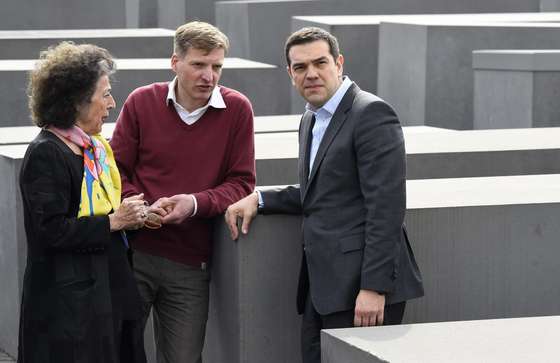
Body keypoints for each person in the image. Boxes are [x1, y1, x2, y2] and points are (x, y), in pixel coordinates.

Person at [224, 27, 424, 363]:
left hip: (363, 291)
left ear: (339, 63)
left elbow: (386, 208)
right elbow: (323, 191)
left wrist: (375, 288)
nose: (311, 73)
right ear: (290, 74)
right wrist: (260, 199)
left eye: (320, 62)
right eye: (300, 67)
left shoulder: (371, 114)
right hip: (324, 287)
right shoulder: (311, 118)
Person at [110, 21, 256, 363]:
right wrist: (142, 209)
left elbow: (242, 182)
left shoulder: (237, 110)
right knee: (116, 352)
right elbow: (116, 170)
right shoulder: (141, 101)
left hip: (191, 263)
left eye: (217, 66)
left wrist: (193, 204)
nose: (209, 75)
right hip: (133, 254)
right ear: (175, 62)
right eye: (199, 64)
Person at [18, 42, 149, 363]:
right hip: (68, 309)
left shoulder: (96, 150)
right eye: (104, 94)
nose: (112, 103)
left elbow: (108, 209)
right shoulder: (46, 152)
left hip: (108, 292)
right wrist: (114, 222)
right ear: (75, 102)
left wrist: (139, 216)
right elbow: (49, 231)